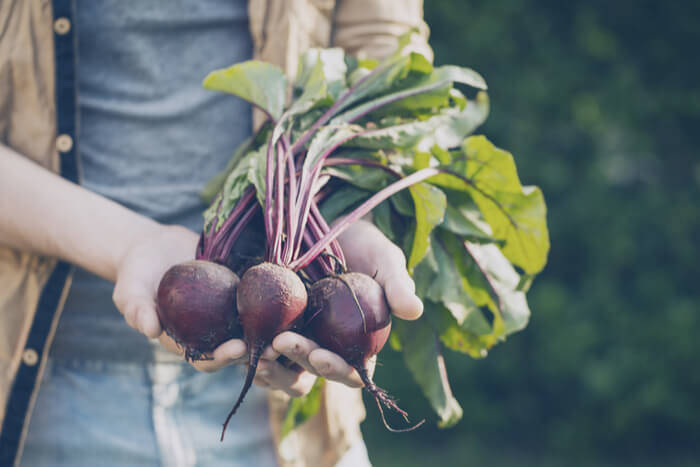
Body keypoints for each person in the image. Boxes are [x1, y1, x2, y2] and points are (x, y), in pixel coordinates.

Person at [0, 1, 432, 466]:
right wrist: (128, 246)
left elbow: (381, 54)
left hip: (288, 429)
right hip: (41, 399)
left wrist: (348, 222)